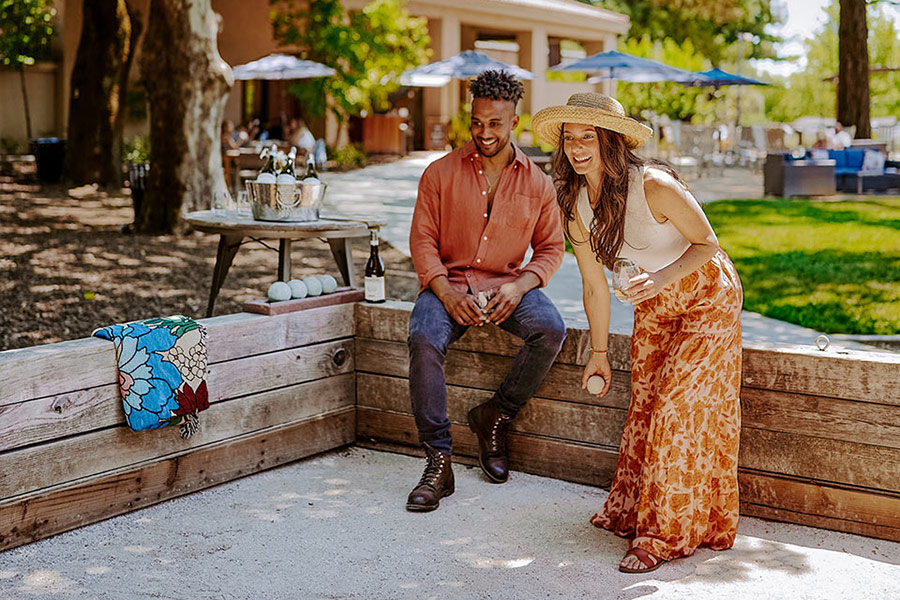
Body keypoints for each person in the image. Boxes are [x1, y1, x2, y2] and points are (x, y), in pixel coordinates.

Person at [532, 94, 743, 573]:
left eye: (589, 137)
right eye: (570, 138)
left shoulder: (654, 185)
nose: (578, 147)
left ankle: (663, 535)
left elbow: (709, 243)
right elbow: (593, 286)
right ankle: (637, 510)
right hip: (654, 304)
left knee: (677, 409)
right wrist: (600, 352)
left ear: (613, 141)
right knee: (646, 404)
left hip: (708, 296)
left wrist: (664, 279)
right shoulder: (576, 206)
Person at [406, 70, 567, 512]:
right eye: (477, 122)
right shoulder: (439, 174)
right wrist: (443, 290)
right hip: (448, 283)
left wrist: (520, 287)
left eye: (495, 123)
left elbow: (552, 248)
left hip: (506, 285)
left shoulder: (537, 183)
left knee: (551, 330)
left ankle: (495, 414)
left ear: (515, 121)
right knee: (422, 338)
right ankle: (439, 461)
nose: (484, 132)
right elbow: (422, 241)